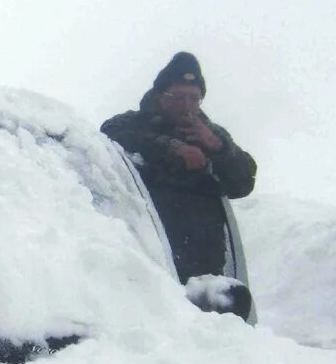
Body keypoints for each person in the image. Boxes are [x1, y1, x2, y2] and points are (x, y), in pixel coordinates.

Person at [101, 52, 257, 283]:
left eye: (194, 98)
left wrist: (217, 146)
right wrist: (172, 147)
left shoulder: (213, 136)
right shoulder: (132, 123)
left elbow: (243, 183)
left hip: (206, 269)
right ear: (160, 95)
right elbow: (108, 135)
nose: (187, 105)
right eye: (178, 96)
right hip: (145, 259)